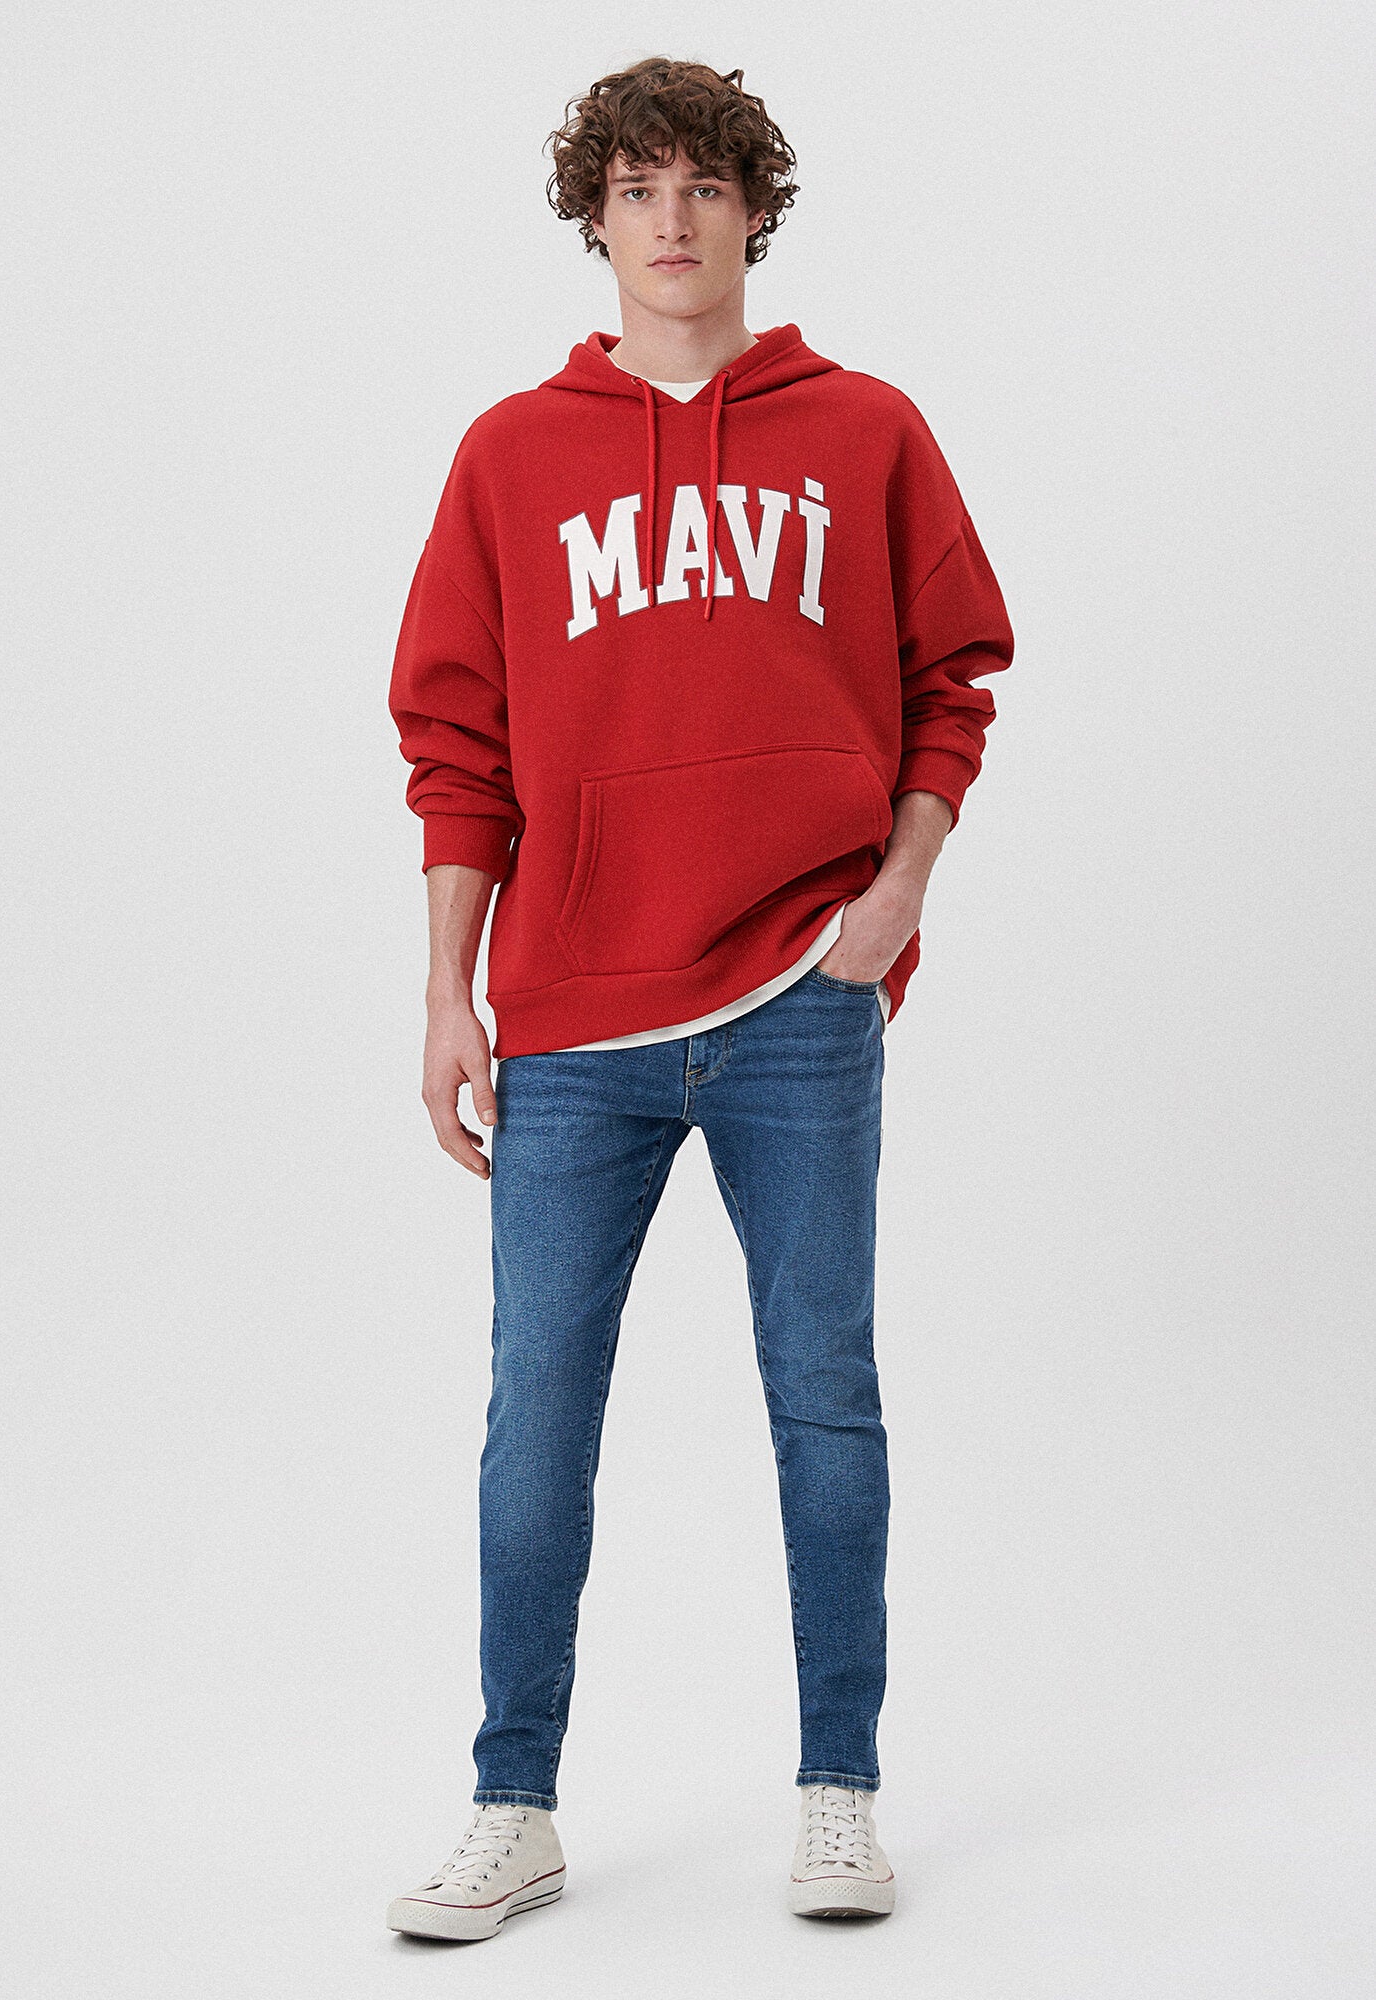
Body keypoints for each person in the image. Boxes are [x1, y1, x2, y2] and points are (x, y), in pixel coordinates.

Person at [384, 55, 1014, 1941]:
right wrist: (447, 992)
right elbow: (458, 746)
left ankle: (837, 1794)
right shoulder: (512, 457)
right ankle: (513, 1806)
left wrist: (893, 897)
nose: (672, 221)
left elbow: (952, 683)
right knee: (537, 1416)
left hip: (798, 995)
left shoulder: (865, 431)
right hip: (572, 1018)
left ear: (754, 211)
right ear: (595, 220)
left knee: (824, 1399)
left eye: (706, 187)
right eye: (638, 189)